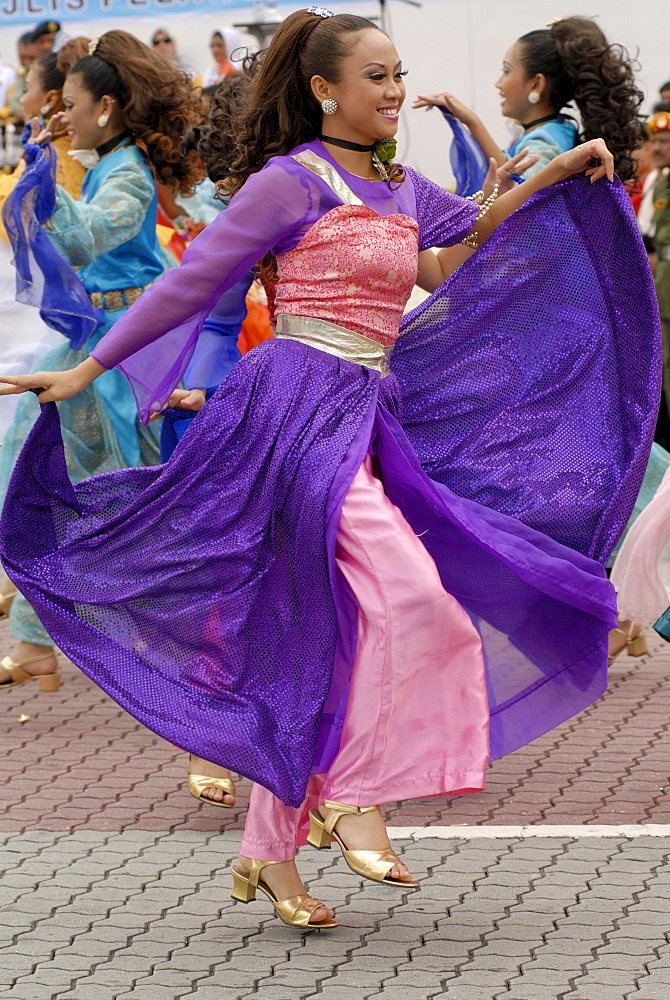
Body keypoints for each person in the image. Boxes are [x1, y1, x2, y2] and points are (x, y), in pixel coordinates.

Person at [0, 10, 656, 930]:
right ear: (323, 89)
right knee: (411, 600)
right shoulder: (287, 183)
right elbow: (192, 284)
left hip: (370, 413)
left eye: (399, 75)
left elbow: (451, 254)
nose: (394, 90)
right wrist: (88, 370)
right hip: (296, 412)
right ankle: (353, 792)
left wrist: (554, 172)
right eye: (377, 75)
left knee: (320, 631)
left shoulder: (393, 180)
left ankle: (270, 856)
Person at [0, 29, 204, 692]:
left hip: (129, 349)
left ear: (106, 109)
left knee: (110, 494)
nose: (68, 115)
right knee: (61, 479)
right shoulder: (109, 164)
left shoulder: (128, 174)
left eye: (75, 105)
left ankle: (181, 645)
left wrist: (41, 177)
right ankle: (41, 636)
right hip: (101, 340)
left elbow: (87, 238)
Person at [414, 16, 643, 183]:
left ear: (536, 84)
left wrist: (472, 121)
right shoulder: (554, 132)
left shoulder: (546, 143)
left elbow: (516, 193)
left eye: (506, 71)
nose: (498, 83)